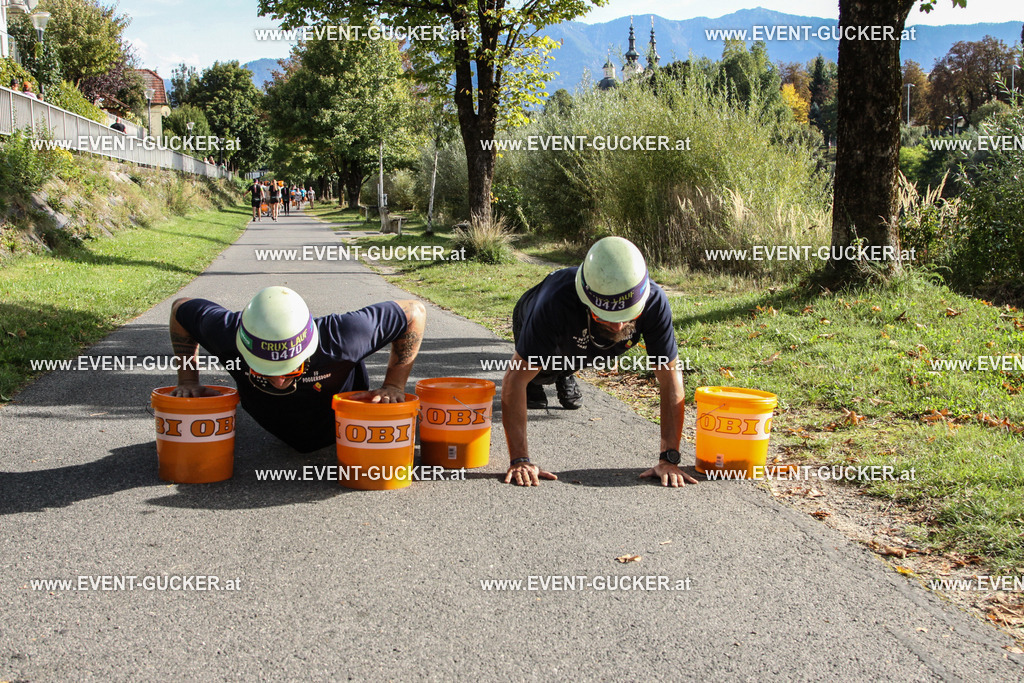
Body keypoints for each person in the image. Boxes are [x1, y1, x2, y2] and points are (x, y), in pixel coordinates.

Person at [501, 236, 695, 488]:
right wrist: (519, 459)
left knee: (576, 355)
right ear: (587, 301)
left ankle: (566, 371)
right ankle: (551, 376)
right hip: (534, 314)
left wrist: (669, 458)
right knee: (537, 374)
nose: (617, 325)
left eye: (626, 315)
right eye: (606, 315)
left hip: (579, 341)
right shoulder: (554, 303)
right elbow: (514, 379)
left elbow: (670, 379)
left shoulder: (654, 302)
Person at [168, 286, 426, 453]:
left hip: (342, 428)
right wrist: (188, 379)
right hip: (269, 422)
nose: (279, 381)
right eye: (262, 370)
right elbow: (180, 308)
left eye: (290, 370)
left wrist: (394, 385)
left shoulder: (342, 337)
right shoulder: (225, 332)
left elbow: (414, 312)